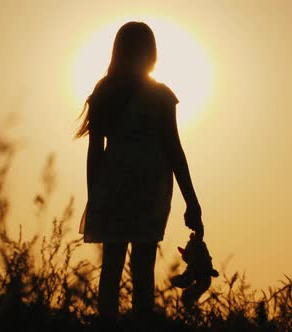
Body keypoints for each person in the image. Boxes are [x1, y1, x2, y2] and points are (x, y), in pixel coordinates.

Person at [75, 21, 204, 321]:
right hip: (150, 187)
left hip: (113, 185)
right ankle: (142, 322)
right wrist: (192, 201)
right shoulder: (160, 95)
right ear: (151, 52)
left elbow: (95, 152)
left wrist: (94, 196)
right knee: (143, 266)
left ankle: (107, 323)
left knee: (112, 266)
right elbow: (175, 150)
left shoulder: (104, 91)